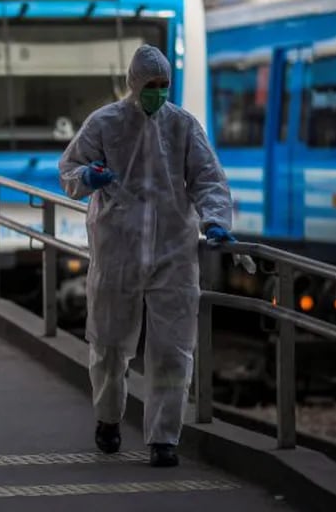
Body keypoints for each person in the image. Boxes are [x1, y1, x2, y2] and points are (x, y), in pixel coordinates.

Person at [58, 44, 235, 467]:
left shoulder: (183, 127)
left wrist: (215, 219)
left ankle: (163, 439)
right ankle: (108, 418)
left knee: (173, 349)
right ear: (134, 84)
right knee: (109, 347)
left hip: (173, 253)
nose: (157, 92)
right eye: (151, 85)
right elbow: (69, 170)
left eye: (163, 85)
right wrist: (88, 175)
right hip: (117, 251)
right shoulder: (105, 123)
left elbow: (208, 178)